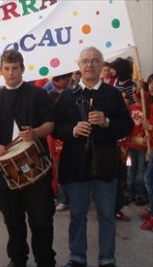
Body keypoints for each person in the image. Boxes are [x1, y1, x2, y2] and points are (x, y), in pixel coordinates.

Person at [53, 46, 134, 267]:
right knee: (77, 213)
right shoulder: (67, 96)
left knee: (107, 214)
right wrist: (73, 130)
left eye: (95, 60)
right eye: (85, 61)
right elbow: (55, 127)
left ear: (102, 65)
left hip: (105, 162)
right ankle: (77, 257)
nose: (90, 65)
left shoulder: (113, 94)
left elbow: (126, 126)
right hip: (76, 162)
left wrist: (107, 122)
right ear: (78, 66)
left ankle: (107, 258)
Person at [0, 49, 56, 267]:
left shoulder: (38, 95)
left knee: (41, 219)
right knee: (12, 220)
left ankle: (45, 260)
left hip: (36, 167)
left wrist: (35, 133)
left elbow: (50, 123)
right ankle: (17, 259)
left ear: (23, 69)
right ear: (1, 70)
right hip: (7, 171)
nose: (11, 72)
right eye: (7, 68)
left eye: (15, 68)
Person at [142, 73, 153, 230]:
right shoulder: (150, 104)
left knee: (148, 179)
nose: (151, 86)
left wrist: (150, 128)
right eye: (150, 83)